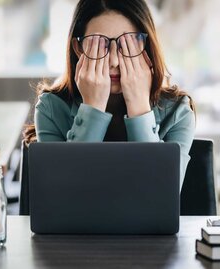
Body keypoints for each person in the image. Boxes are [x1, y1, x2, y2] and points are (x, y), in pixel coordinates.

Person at [24, 0, 195, 187]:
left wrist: (139, 108)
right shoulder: (52, 108)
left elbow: (161, 193)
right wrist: (92, 108)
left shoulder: (178, 112)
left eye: (127, 44)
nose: (114, 61)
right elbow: (63, 191)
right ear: (79, 49)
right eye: (100, 45)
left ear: (146, 48)